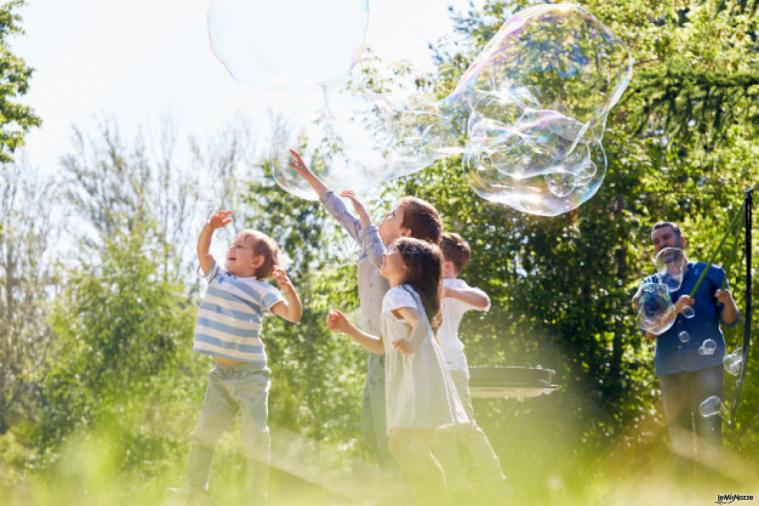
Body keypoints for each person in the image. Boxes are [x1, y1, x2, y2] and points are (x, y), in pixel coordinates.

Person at [288, 150, 442, 464]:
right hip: (379, 352)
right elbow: (339, 211)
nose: (384, 216)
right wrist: (308, 175)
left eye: (392, 214)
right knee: (373, 431)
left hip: (397, 357)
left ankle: (415, 490)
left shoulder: (397, 264)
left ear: (405, 234)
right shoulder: (377, 248)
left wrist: (368, 220)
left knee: (395, 439)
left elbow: (376, 255)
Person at [327, 236, 469, 503]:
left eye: (393, 251)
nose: (385, 253)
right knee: (412, 447)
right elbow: (381, 346)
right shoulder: (403, 296)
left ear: (407, 265)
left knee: (403, 443)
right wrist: (349, 329)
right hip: (421, 380)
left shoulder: (398, 294)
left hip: (416, 381)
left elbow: (421, 326)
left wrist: (412, 343)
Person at [181, 210, 302, 503]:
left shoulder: (262, 290)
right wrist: (209, 227)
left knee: (255, 437)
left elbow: (293, 316)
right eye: (231, 244)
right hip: (220, 376)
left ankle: (256, 496)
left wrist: (289, 289)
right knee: (203, 435)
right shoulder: (218, 277)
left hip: (250, 375)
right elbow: (203, 251)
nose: (231, 249)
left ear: (256, 262)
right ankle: (194, 491)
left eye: (239, 246)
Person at [641, 221, 739, 473]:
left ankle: (712, 494)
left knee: (710, 436)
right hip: (670, 370)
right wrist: (675, 308)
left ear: (681, 241)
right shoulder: (652, 284)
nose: (662, 244)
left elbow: (730, 320)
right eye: (657, 241)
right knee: (680, 440)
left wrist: (728, 302)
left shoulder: (712, 273)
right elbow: (649, 332)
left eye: (666, 237)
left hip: (707, 367)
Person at [432, 232, 510, 501]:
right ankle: (453, 488)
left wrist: (449, 290)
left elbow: (484, 301)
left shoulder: (455, 284)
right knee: (440, 433)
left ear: (447, 263)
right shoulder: (426, 283)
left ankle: (496, 482)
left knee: (465, 426)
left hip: (452, 367)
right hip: (430, 370)